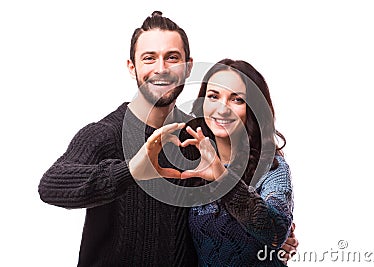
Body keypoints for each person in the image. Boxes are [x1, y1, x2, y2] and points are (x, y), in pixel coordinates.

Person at [38, 11, 298, 266]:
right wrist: (130, 171)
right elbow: (51, 186)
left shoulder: (197, 136)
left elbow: (238, 214)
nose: (161, 69)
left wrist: (271, 242)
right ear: (132, 67)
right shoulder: (105, 133)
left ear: (188, 68)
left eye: (172, 58)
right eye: (149, 58)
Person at [179, 59, 294, 266]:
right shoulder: (189, 160)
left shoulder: (272, 168)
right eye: (213, 96)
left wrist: (222, 178)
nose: (222, 109)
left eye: (237, 100)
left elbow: (276, 233)